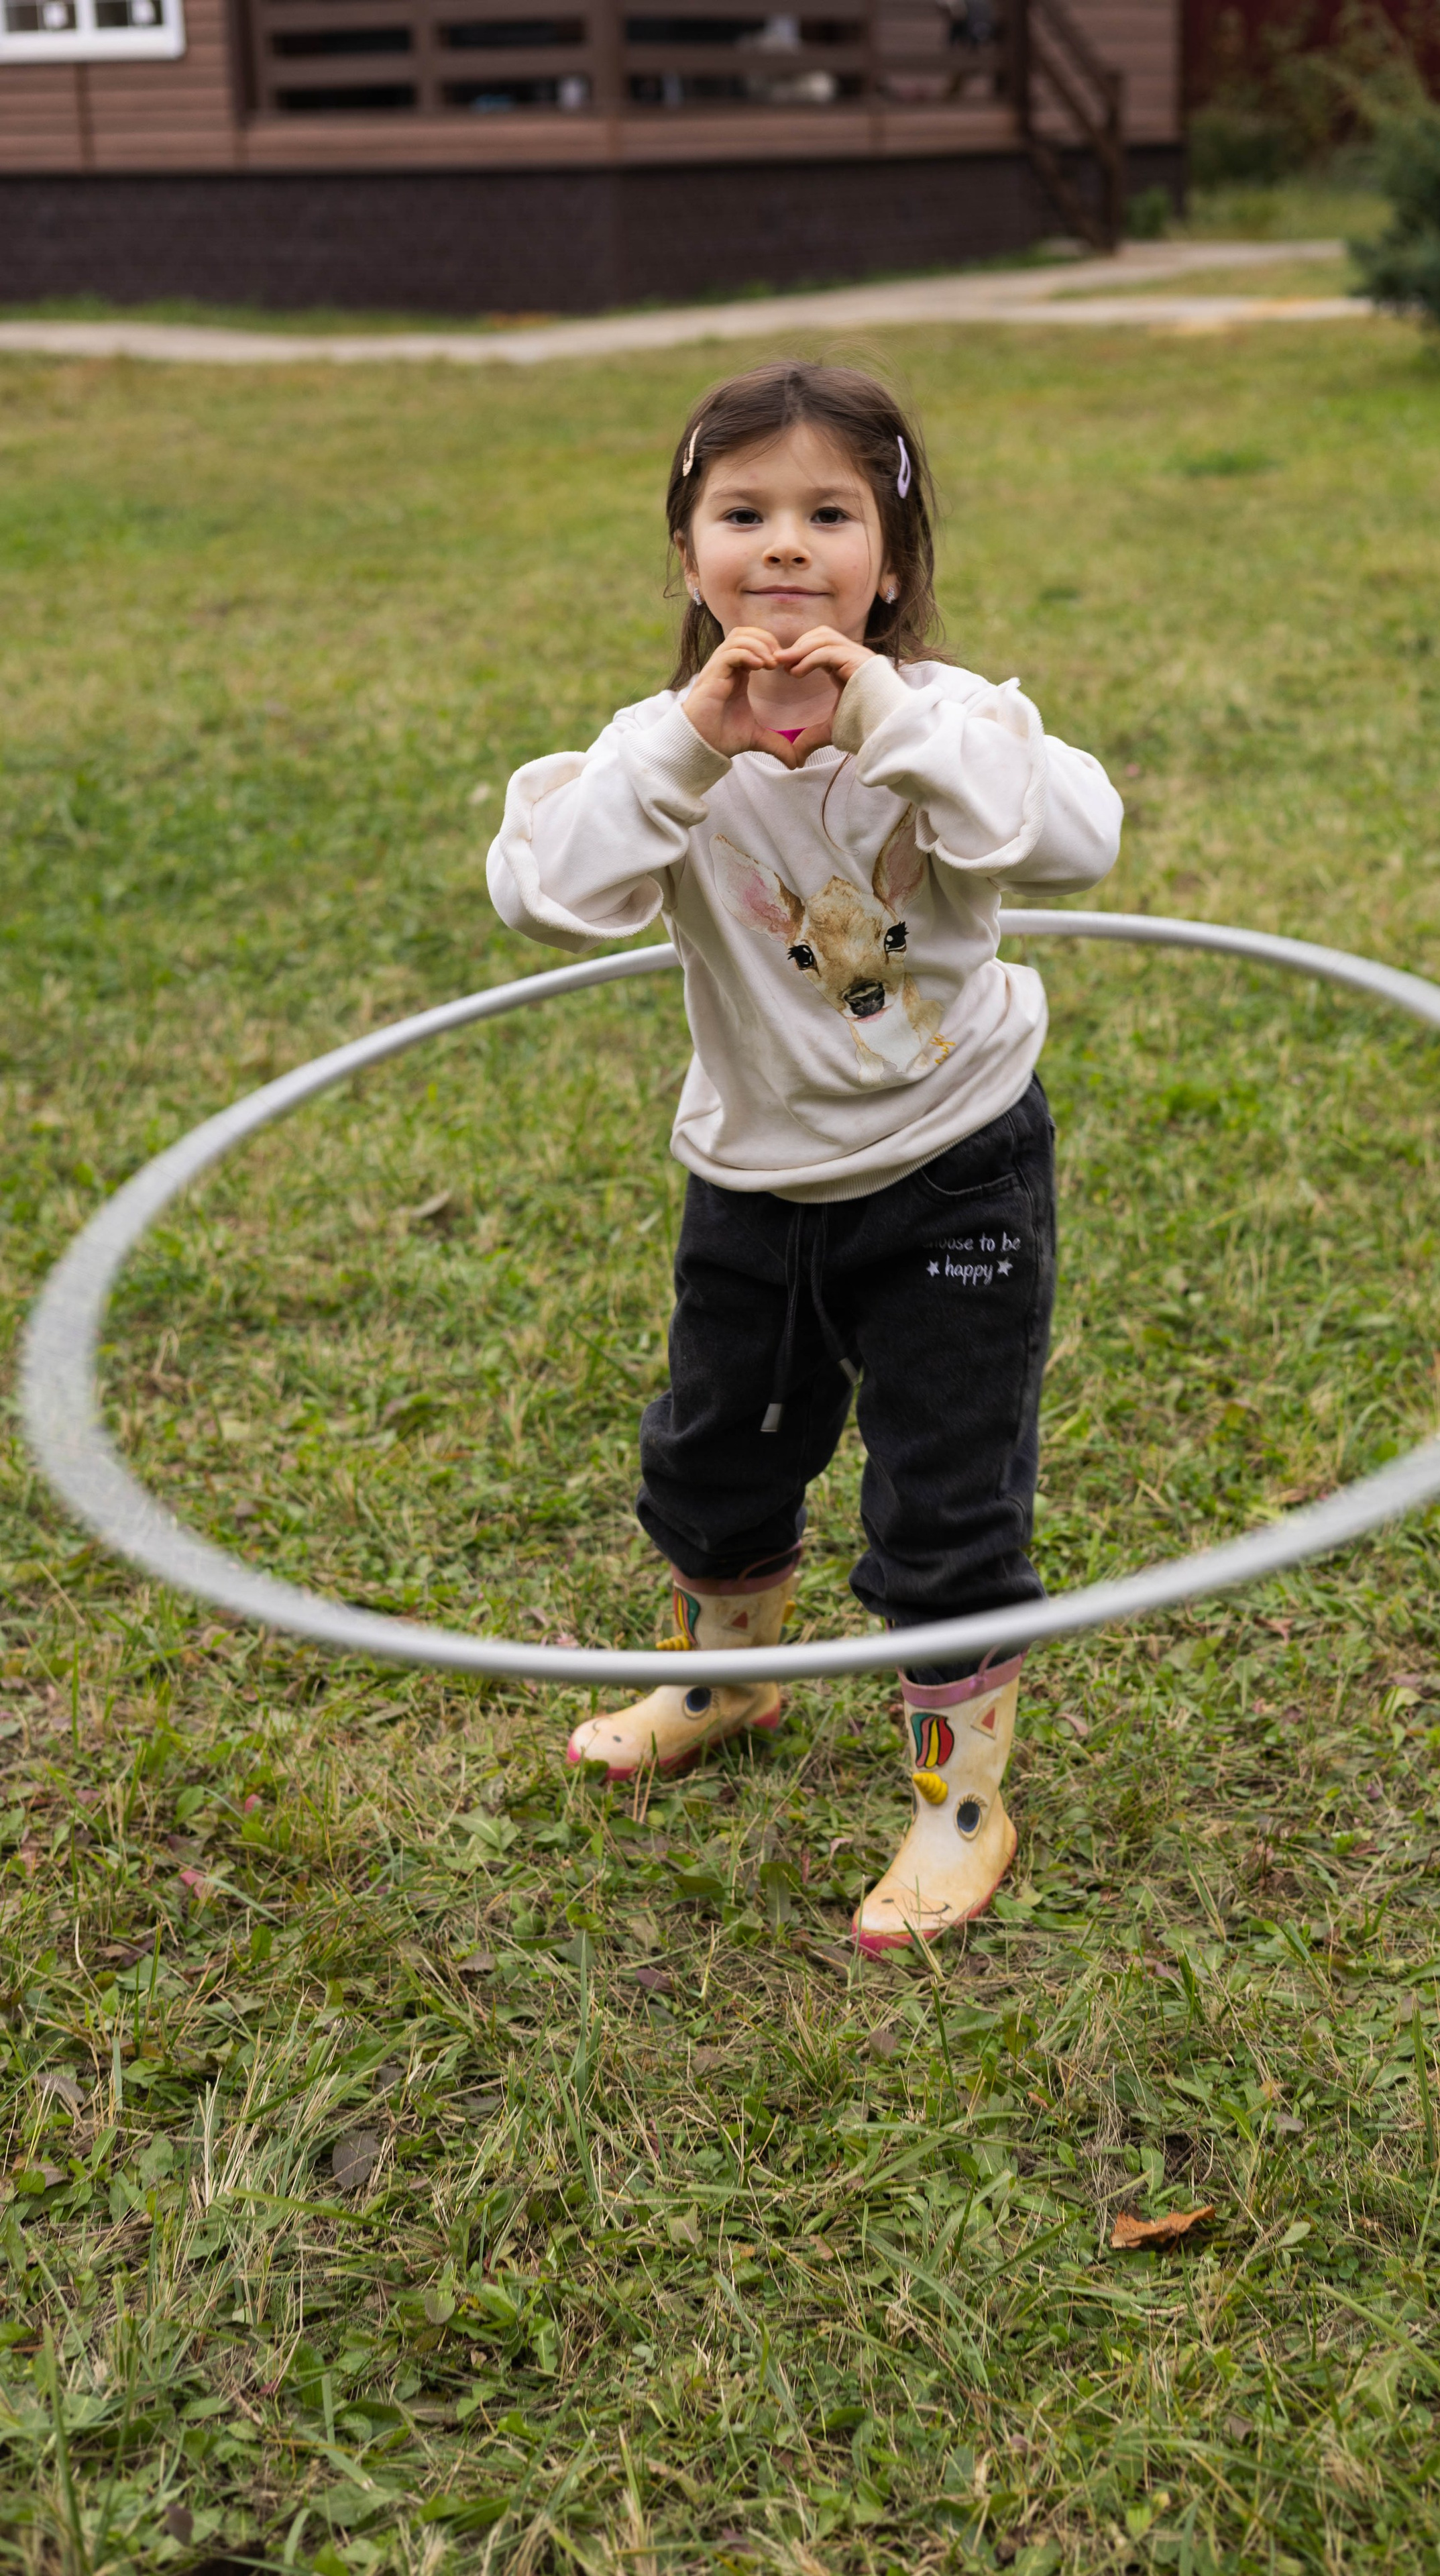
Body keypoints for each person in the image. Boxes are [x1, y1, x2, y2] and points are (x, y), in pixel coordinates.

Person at [486, 359, 1120, 1952]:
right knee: (717, 1446)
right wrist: (681, 753)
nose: (783, 545)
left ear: (887, 558)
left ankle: (957, 1804)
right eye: (741, 512)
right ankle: (726, 1675)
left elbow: (1069, 838)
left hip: (953, 1164)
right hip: (756, 1179)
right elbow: (545, 896)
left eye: (827, 512)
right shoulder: (657, 752)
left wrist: (892, 719)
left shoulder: (954, 722)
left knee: (943, 1494)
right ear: (687, 557)